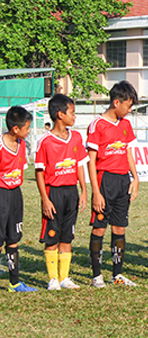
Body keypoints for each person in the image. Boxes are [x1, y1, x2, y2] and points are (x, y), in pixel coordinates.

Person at [86, 81, 139, 288]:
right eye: (128, 105)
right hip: (105, 179)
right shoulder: (97, 125)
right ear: (116, 102)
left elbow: (128, 152)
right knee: (100, 227)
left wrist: (135, 178)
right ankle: (97, 275)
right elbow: (91, 160)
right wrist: (96, 192)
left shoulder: (125, 124)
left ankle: (117, 274)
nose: (130, 109)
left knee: (120, 228)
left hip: (122, 180)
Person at [35, 94, 89, 290]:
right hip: (53, 192)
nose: (74, 117)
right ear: (60, 114)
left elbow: (80, 165)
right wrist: (45, 199)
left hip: (71, 192)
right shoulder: (45, 141)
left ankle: (64, 277)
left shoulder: (76, 137)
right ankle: (52, 279)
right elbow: (39, 172)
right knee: (52, 236)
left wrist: (83, 191)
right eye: (72, 113)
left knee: (67, 236)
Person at [0, 106, 38, 292]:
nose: (29, 130)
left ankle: (14, 283)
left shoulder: (22, 145)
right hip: (1, 195)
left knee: (13, 238)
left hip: (16, 194)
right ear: (16, 129)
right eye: (27, 127)